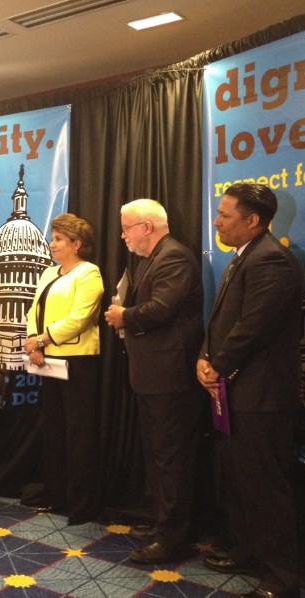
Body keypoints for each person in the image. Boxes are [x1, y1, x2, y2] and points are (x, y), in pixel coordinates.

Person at [196, 183, 302, 598]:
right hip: (236, 393)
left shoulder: (272, 260)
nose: (217, 221)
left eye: (225, 215)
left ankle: (281, 577)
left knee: (265, 487)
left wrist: (217, 363)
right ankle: (247, 551)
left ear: (253, 220)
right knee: (239, 481)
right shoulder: (242, 259)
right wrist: (206, 356)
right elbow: (221, 321)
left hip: (263, 397)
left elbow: (252, 327)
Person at [104, 199, 205, 563]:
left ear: (147, 226)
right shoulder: (152, 259)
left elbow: (162, 309)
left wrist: (123, 315)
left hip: (170, 377)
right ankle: (165, 521)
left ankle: (173, 538)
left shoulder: (174, 257)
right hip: (152, 376)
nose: (122, 235)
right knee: (158, 456)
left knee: (171, 459)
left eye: (126, 227)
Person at [22, 213, 103, 526]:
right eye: (53, 238)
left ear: (76, 244)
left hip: (77, 361)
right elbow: (33, 310)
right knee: (54, 431)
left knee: (78, 434)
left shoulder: (89, 273)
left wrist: (42, 339)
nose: (51, 244)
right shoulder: (48, 273)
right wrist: (34, 342)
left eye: (58, 239)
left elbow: (80, 318)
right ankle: (56, 497)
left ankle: (82, 505)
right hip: (47, 360)